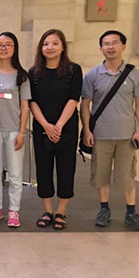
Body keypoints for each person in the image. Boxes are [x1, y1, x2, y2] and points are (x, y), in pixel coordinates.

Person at [81, 30, 139, 231]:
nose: (110, 47)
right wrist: (87, 130)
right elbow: (85, 104)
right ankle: (104, 209)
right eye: (106, 44)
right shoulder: (93, 75)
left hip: (126, 135)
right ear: (100, 48)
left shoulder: (135, 74)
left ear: (123, 46)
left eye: (114, 43)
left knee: (127, 175)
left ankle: (131, 212)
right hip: (100, 135)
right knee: (100, 174)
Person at [29, 29, 82, 231]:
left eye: (54, 43)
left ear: (62, 47)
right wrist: (46, 125)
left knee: (66, 169)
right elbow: (31, 101)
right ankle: (47, 210)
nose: (49, 47)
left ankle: (61, 211)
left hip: (66, 128)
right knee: (43, 169)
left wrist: (58, 126)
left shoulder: (73, 70)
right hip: (42, 127)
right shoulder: (34, 73)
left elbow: (74, 98)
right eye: (45, 44)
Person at [0, 32, 31, 228]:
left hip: (13, 132)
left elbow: (25, 107)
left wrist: (22, 132)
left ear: (14, 48)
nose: (3, 48)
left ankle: (13, 210)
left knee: (15, 174)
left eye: (8, 44)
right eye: (0, 44)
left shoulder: (22, 76)